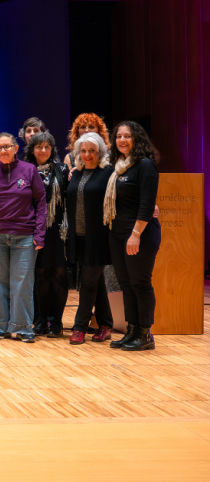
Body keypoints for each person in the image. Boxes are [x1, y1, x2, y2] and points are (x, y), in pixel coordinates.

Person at [0, 132, 46, 343]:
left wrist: (39, 234)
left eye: (7, 147)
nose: (3, 151)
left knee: (22, 283)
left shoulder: (29, 170)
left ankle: (24, 328)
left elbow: (41, 202)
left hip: (25, 236)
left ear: (16, 148)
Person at [105, 121, 160, 351]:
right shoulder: (116, 167)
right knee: (126, 284)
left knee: (140, 283)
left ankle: (145, 334)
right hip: (117, 234)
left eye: (127, 136)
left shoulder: (144, 165)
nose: (122, 140)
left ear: (137, 139)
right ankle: (132, 330)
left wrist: (135, 234)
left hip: (139, 234)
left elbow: (147, 204)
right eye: (119, 136)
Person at [65, 132, 114, 345]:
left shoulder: (108, 173)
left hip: (100, 237)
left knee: (87, 281)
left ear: (100, 152)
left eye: (91, 151)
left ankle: (79, 327)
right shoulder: (76, 173)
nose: (87, 155)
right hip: (79, 237)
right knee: (97, 281)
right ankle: (106, 323)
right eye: (83, 151)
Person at [25, 132, 69, 337]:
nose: (43, 151)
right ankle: (40, 321)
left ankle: (57, 323)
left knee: (59, 275)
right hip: (35, 230)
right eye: (39, 147)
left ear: (52, 150)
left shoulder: (62, 169)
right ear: (32, 150)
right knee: (40, 275)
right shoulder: (24, 170)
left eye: (47, 147)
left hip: (59, 230)